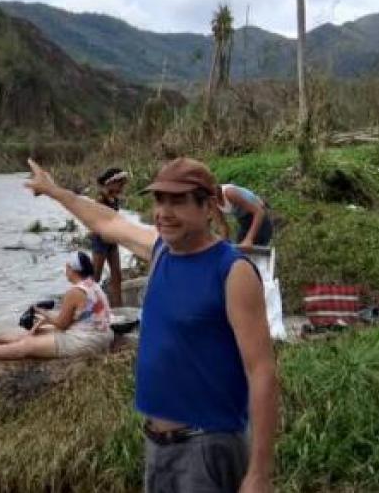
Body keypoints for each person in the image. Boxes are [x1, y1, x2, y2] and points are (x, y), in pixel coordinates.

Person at [25, 157, 278, 493]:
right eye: (159, 200)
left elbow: (262, 372)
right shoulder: (159, 250)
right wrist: (55, 191)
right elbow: (107, 221)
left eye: (178, 201)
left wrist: (259, 473)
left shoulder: (233, 271)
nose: (164, 212)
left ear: (208, 207)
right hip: (157, 445)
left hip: (207, 447)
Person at [0, 251, 114, 361]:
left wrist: (44, 314)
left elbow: (62, 325)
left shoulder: (75, 292)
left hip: (87, 342)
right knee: (41, 330)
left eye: (67, 266)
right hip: (101, 335)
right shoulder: (93, 285)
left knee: (28, 345)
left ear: (73, 270)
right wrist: (46, 318)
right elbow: (78, 317)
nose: (65, 269)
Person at [90, 167, 129, 307]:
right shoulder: (101, 199)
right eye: (120, 184)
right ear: (111, 183)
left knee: (117, 275)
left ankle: (118, 307)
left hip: (112, 240)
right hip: (100, 240)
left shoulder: (114, 198)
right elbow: (95, 222)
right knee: (95, 276)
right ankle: (88, 306)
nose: (122, 187)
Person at [212, 183, 273, 250]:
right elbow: (222, 225)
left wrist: (249, 239)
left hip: (259, 219)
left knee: (254, 250)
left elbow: (259, 212)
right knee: (239, 250)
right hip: (244, 222)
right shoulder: (212, 202)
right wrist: (223, 244)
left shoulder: (229, 193)